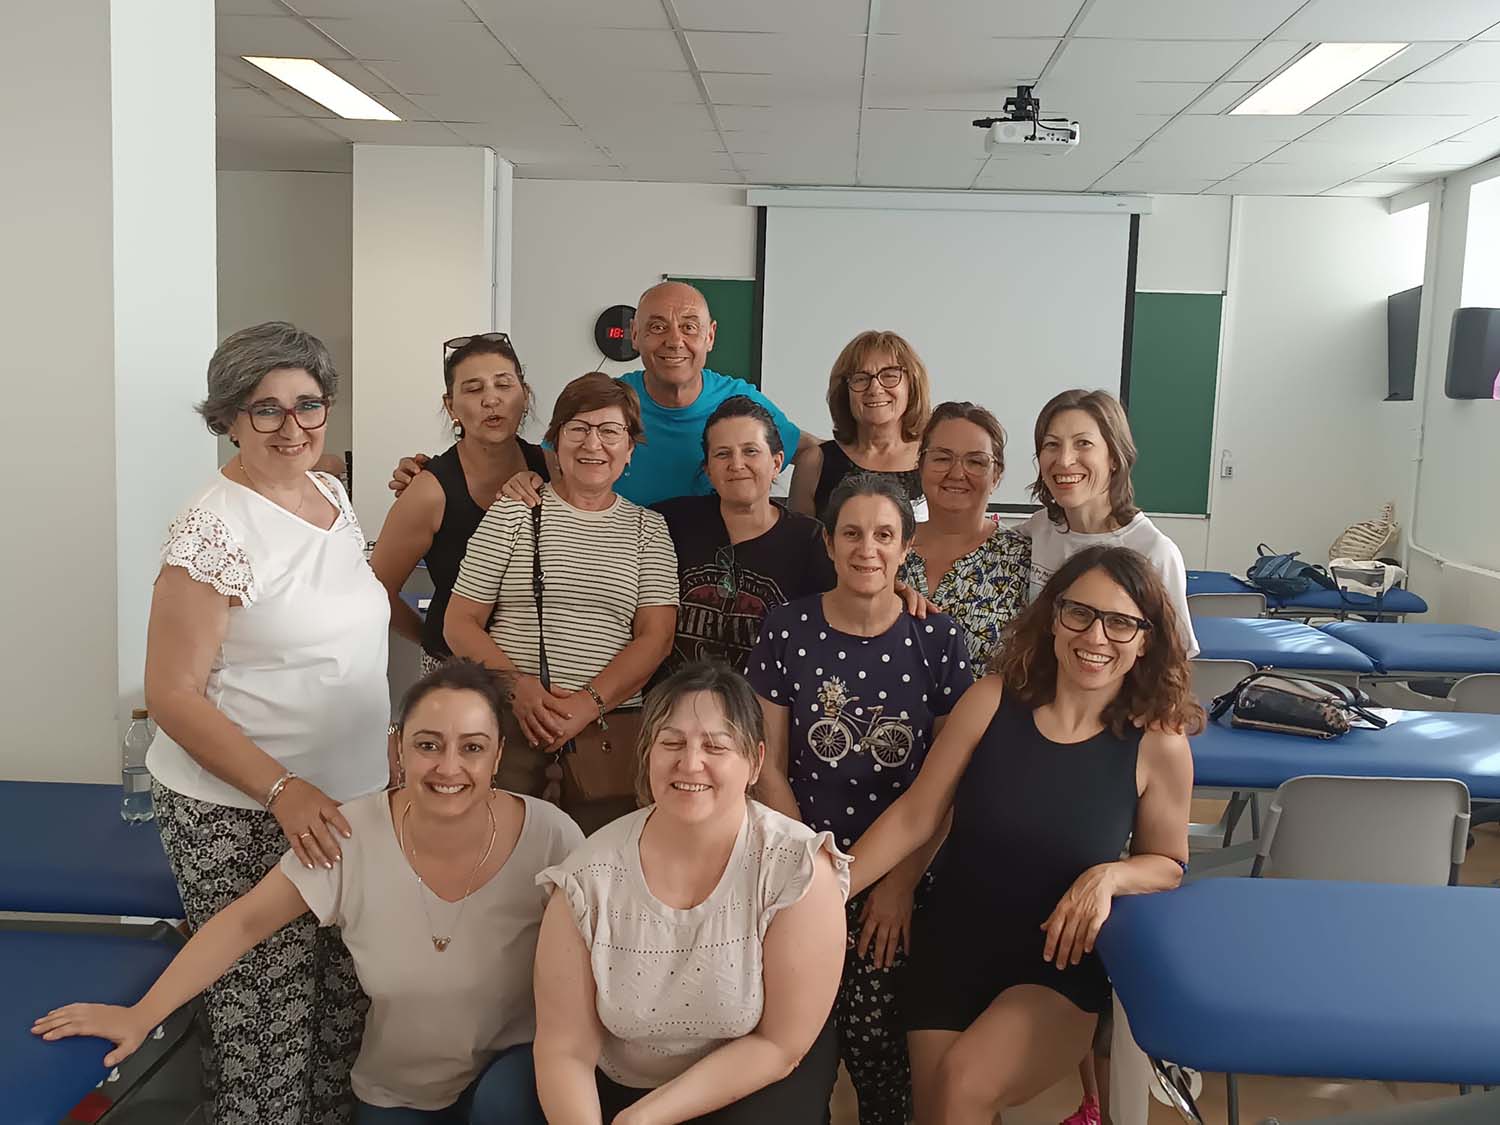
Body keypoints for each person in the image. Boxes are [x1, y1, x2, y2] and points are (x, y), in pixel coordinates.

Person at [37, 660, 584, 1124]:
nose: (448, 767)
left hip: (514, 1075)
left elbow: (601, 948)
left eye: (472, 748)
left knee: (507, 1098)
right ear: (397, 750)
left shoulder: (550, 835)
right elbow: (245, 922)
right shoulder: (351, 834)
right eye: (428, 744)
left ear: (497, 755)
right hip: (399, 1090)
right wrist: (141, 1013)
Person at [134, 322, 390, 1122]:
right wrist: (281, 788)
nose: (293, 426)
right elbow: (173, 696)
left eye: (308, 405)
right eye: (266, 410)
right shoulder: (213, 529)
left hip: (348, 806)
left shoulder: (333, 495)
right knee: (265, 1037)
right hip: (242, 811)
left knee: (343, 1020)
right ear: (230, 419)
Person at [847, 546, 1198, 1125]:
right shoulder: (989, 700)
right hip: (951, 950)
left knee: (962, 1085)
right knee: (940, 1109)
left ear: (1145, 640)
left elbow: (1168, 863)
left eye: (1121, 622)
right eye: (1079, 613)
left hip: (1055, 967)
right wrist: (823, 889)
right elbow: (917, 815)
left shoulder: (1157, 743)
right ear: (1053, 617)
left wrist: (1111, 874)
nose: (1096, 637)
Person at [746, 473, 974, 1125]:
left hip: (901, 878)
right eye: (851, 532)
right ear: (828, 540)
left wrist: (899, 882)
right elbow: (767, 764)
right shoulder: (788, 629)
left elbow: (946, 782)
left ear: (906, 547)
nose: (866, 548)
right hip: (798, 867)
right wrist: (811, 872)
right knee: (794, 1040)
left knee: (879, 1044)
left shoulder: (940, 641)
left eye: (883, 534)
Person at [532, 661, 848, 1124]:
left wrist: (641, 1121)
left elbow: (781, 1045)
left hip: (755, 1073)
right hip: (628, 1083)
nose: (690, 763)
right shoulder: (587, 878)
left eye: (715, 746)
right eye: (672, 743)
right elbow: (566, 1050)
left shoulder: (796, 867)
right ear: (647, 754)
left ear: (756, 762)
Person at [444, 372, 678, 824]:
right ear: (555, 442)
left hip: (607, 736)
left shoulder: (649, 529)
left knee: (598, 874)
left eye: (610, 431)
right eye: (579, 429)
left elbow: (656, 638)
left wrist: (586, 705)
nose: (594, 444)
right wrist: (519, 687)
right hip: (510, 730)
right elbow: (460, 622)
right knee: (501, 861)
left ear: (629, 450)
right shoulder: (514, 510)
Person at [389, 284, 818, 510]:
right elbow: (551, 463)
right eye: (655, 327)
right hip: (617, 577)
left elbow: (812, 452)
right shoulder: (610, 399)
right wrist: (435, 473)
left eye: (689, 326)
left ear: (710, 336)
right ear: (633, 334)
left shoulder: (741, 403)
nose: (674, 341)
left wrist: (802, 522)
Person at [371, 333, 549, 675]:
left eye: (503, 384)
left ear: (524, 396)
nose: (491, 400)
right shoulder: (428, 491)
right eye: (473, 388)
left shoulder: (552, 468)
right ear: (451, 405)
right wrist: (432, 640)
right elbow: (377, 590)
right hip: (456, 673)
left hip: (538, 671)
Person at [653, 395, 834, 675]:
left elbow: (843, 616)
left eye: (750, 451)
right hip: (674, 706)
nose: (736, 464)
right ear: (708, 470)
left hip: (764, 711)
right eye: (723, 454)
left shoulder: (810, 540)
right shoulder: (670, 522)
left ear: (777, 463)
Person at [1016, 388, 1198, 659]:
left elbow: (1172, 663)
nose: (1064, 460)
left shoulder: (1153, 552)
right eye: (1052, 444)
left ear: (1114, 457)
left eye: (1083, 444)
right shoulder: (1038, 529)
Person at [897, 402, 1030, 670]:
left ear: (996, 476)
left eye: (976, 462)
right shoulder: (883, 550)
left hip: (989, 712)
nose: (957, 473)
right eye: (942, 458)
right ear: (920, 465)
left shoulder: (1024, 559)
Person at [789, 331, 930, 522]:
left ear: (911, 385)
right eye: (861, 378)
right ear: (844, 390)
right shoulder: (814, 463)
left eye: (889, 375)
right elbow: (797, 547)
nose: (875, 388)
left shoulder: (934, 459)